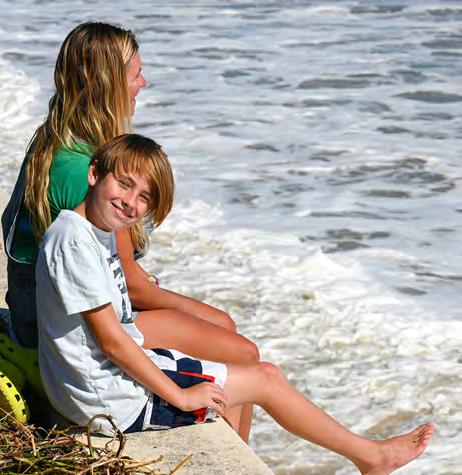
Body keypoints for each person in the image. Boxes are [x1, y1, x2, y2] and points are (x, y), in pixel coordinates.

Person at [36, 134, 434, 474]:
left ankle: (364, 456)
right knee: (262, 381)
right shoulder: (74, 241)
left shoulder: (95, 229)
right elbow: (112, 342)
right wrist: (182, 396)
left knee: (248, 374)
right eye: (124, 185)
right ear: (94, 173)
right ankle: (371, 457)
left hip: (106, 383)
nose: (130, 202)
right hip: (112, 401)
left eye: (144, 198)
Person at [1, 21, 258, 439]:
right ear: (107, 84)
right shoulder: (82, 171)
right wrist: (209, 315)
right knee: (240, 349)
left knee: (221, 332)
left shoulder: (58, 138)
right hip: (63, 329)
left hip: (37, 309)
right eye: (136, 74)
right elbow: (132, 288)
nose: (143, 83)